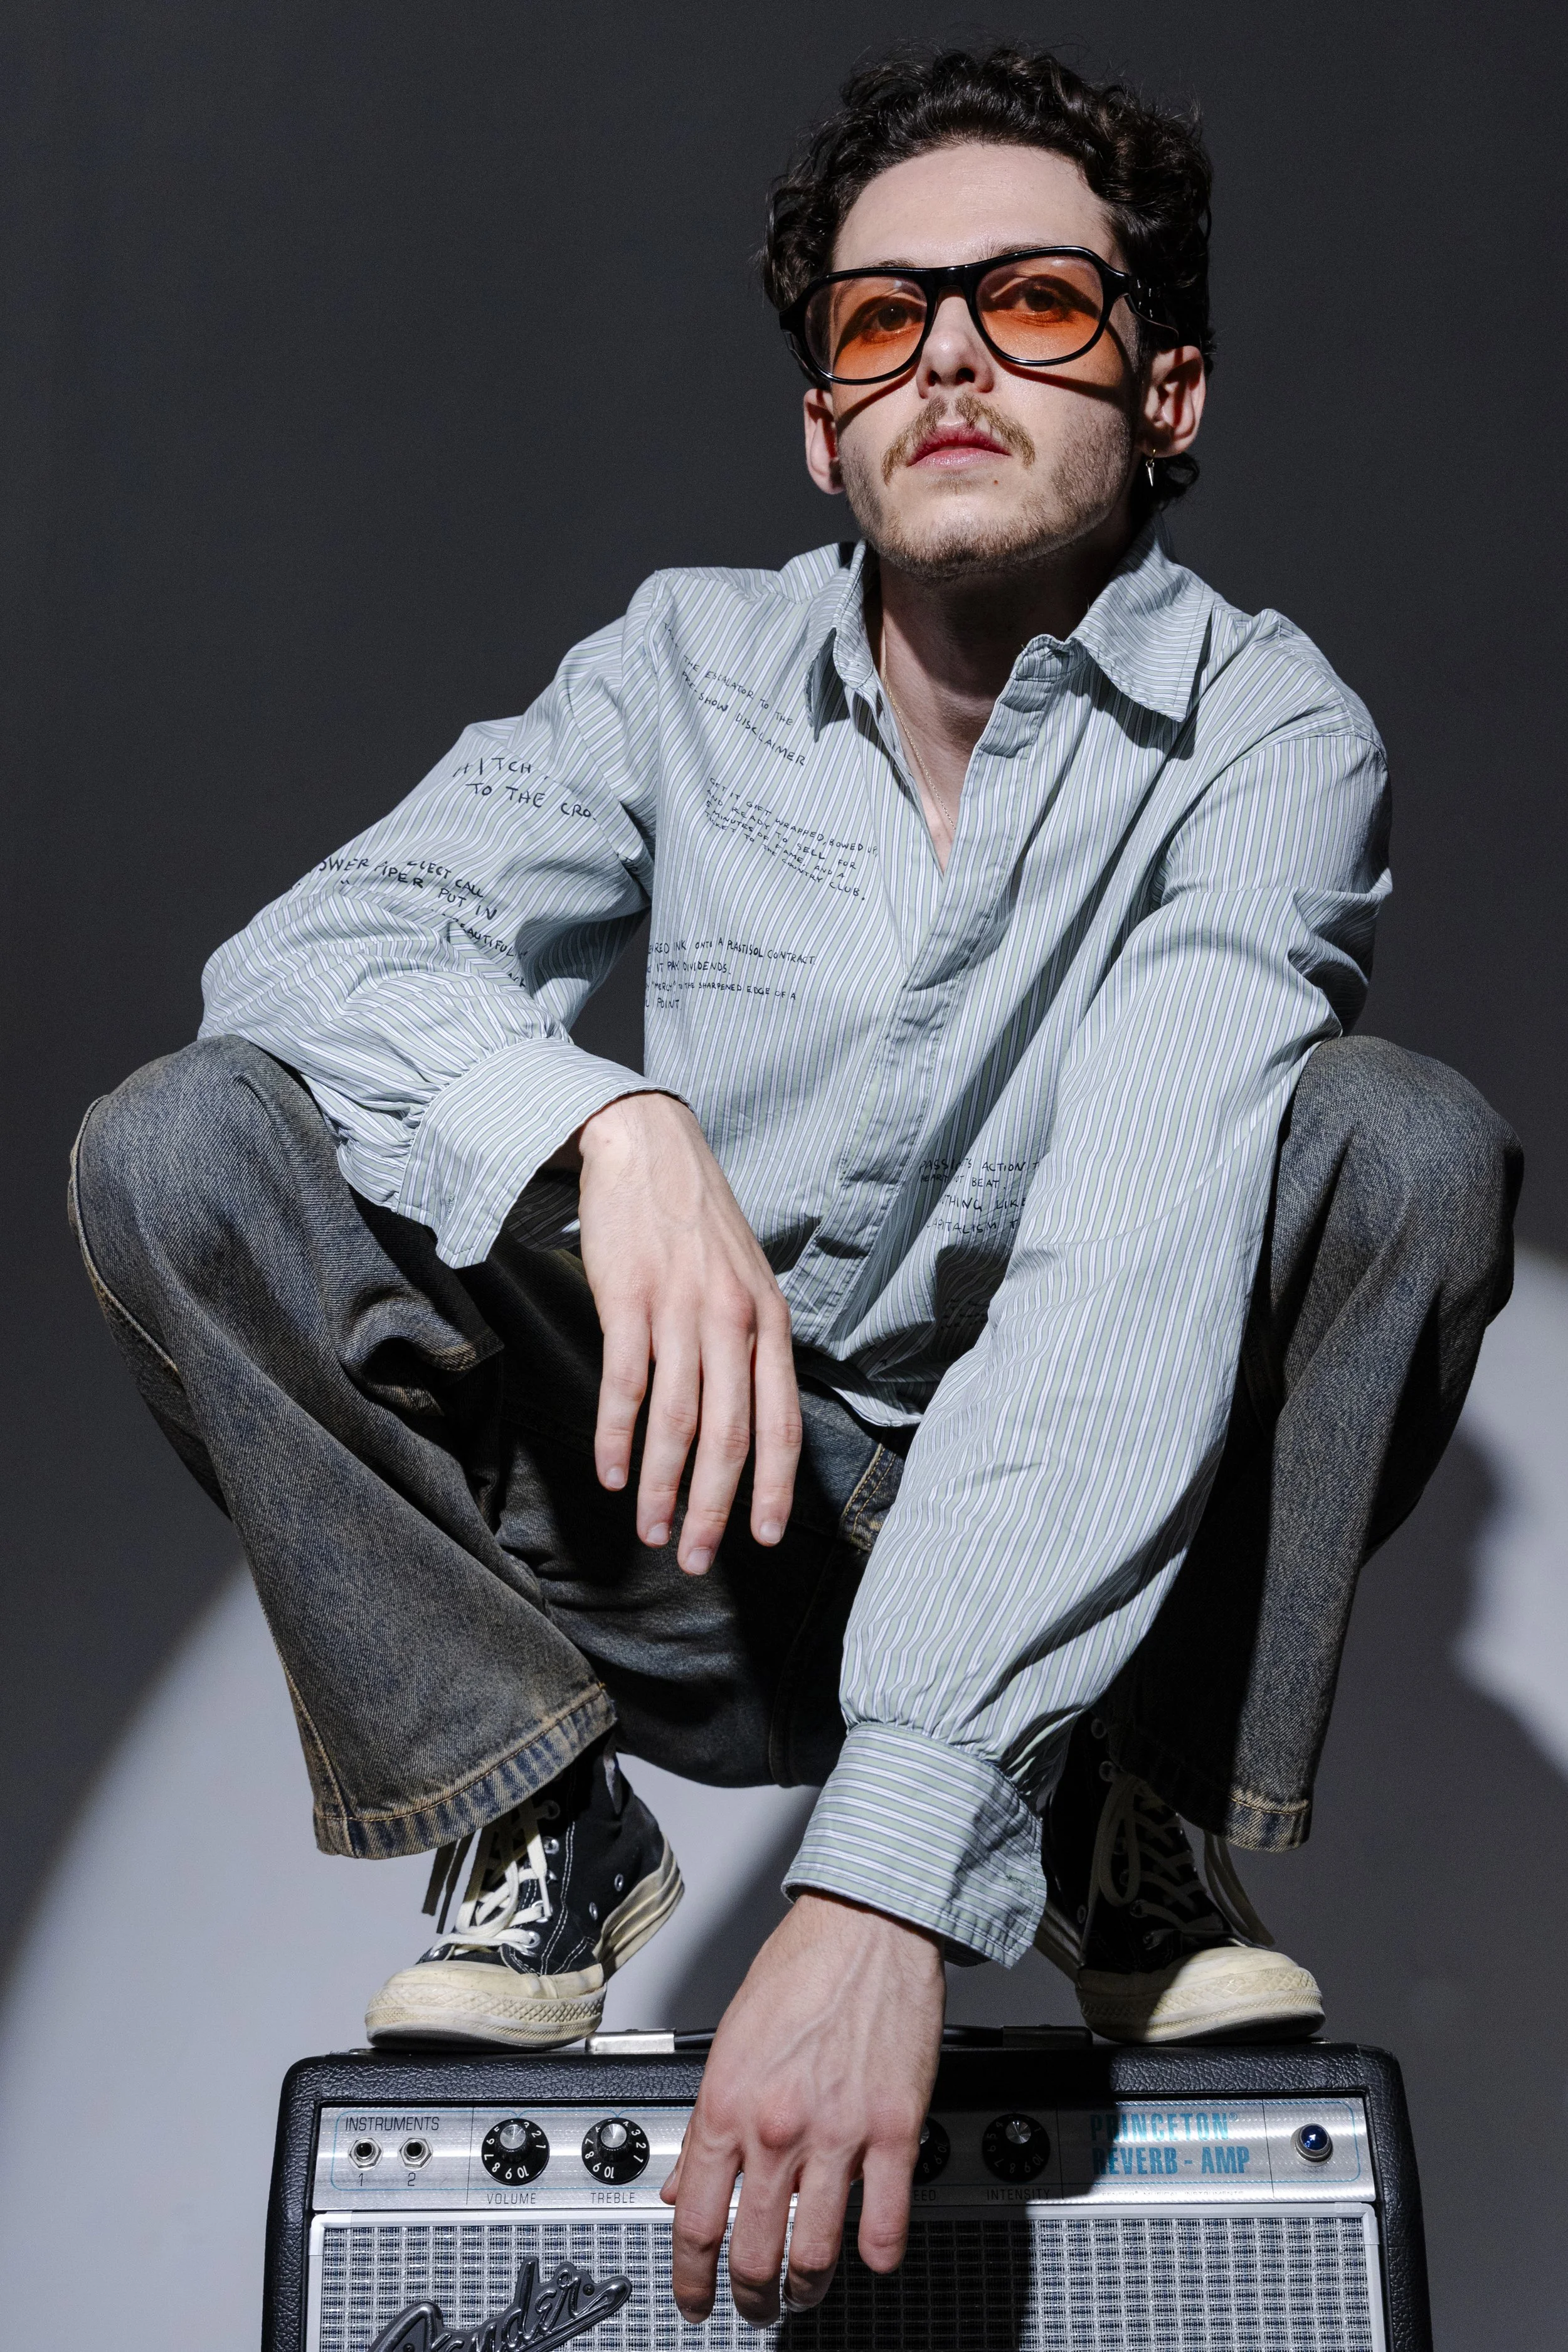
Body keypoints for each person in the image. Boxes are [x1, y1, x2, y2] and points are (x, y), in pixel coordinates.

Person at [70, 42, 1518, 2331]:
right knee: (182, 1141)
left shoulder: (1270, 733)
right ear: (819, 427)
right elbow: (308, 954)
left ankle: (1114, 1818)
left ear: (1167, 393)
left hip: (1071, 1562)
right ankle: (531, 1811)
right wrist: (597, 1122)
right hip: (687, 1528)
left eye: (1034, 301)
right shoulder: (675, 668)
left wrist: (884, 1883)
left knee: (1395, 1143)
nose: (945, 350)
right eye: (878, 320)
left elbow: (1135, 1255)